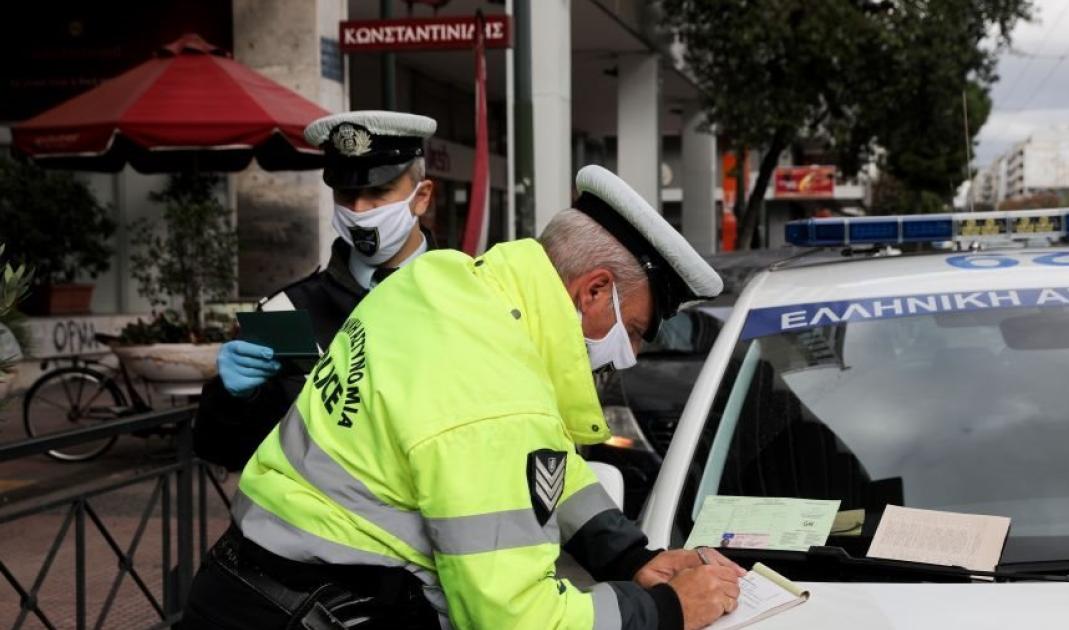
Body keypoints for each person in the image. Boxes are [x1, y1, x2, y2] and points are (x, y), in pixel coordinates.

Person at [182, 165, 745, 629]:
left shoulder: (443, 281)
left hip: (241, 584)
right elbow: (516, 619)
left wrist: (629, 556)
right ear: (594, 290)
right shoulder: (496, 392)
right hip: (313, 610)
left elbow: (540, 467)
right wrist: (668, 609)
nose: (631, 353)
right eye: (636, 331)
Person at [194, 111, 438, 470]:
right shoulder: (286, 312)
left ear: (422, 196)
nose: (360, 210)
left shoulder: (474, 298)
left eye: (379, 192)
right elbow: (226, 453)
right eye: (347, 194)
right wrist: (232, 399)